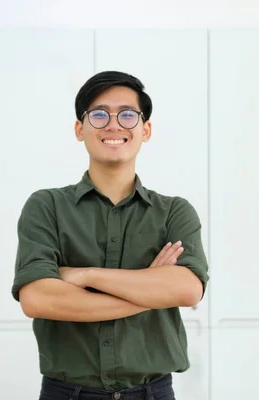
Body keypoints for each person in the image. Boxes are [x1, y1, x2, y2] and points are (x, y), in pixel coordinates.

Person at [11, 71, 209, 400]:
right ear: (80, 129)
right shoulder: (47, 206)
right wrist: (150, 287)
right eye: (99, 114)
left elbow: (187, 290)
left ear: (145, 130)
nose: (114, 125)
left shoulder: (174, 212)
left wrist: (86, 275)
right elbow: (37, 299)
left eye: (127, 115)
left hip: (153, 393)